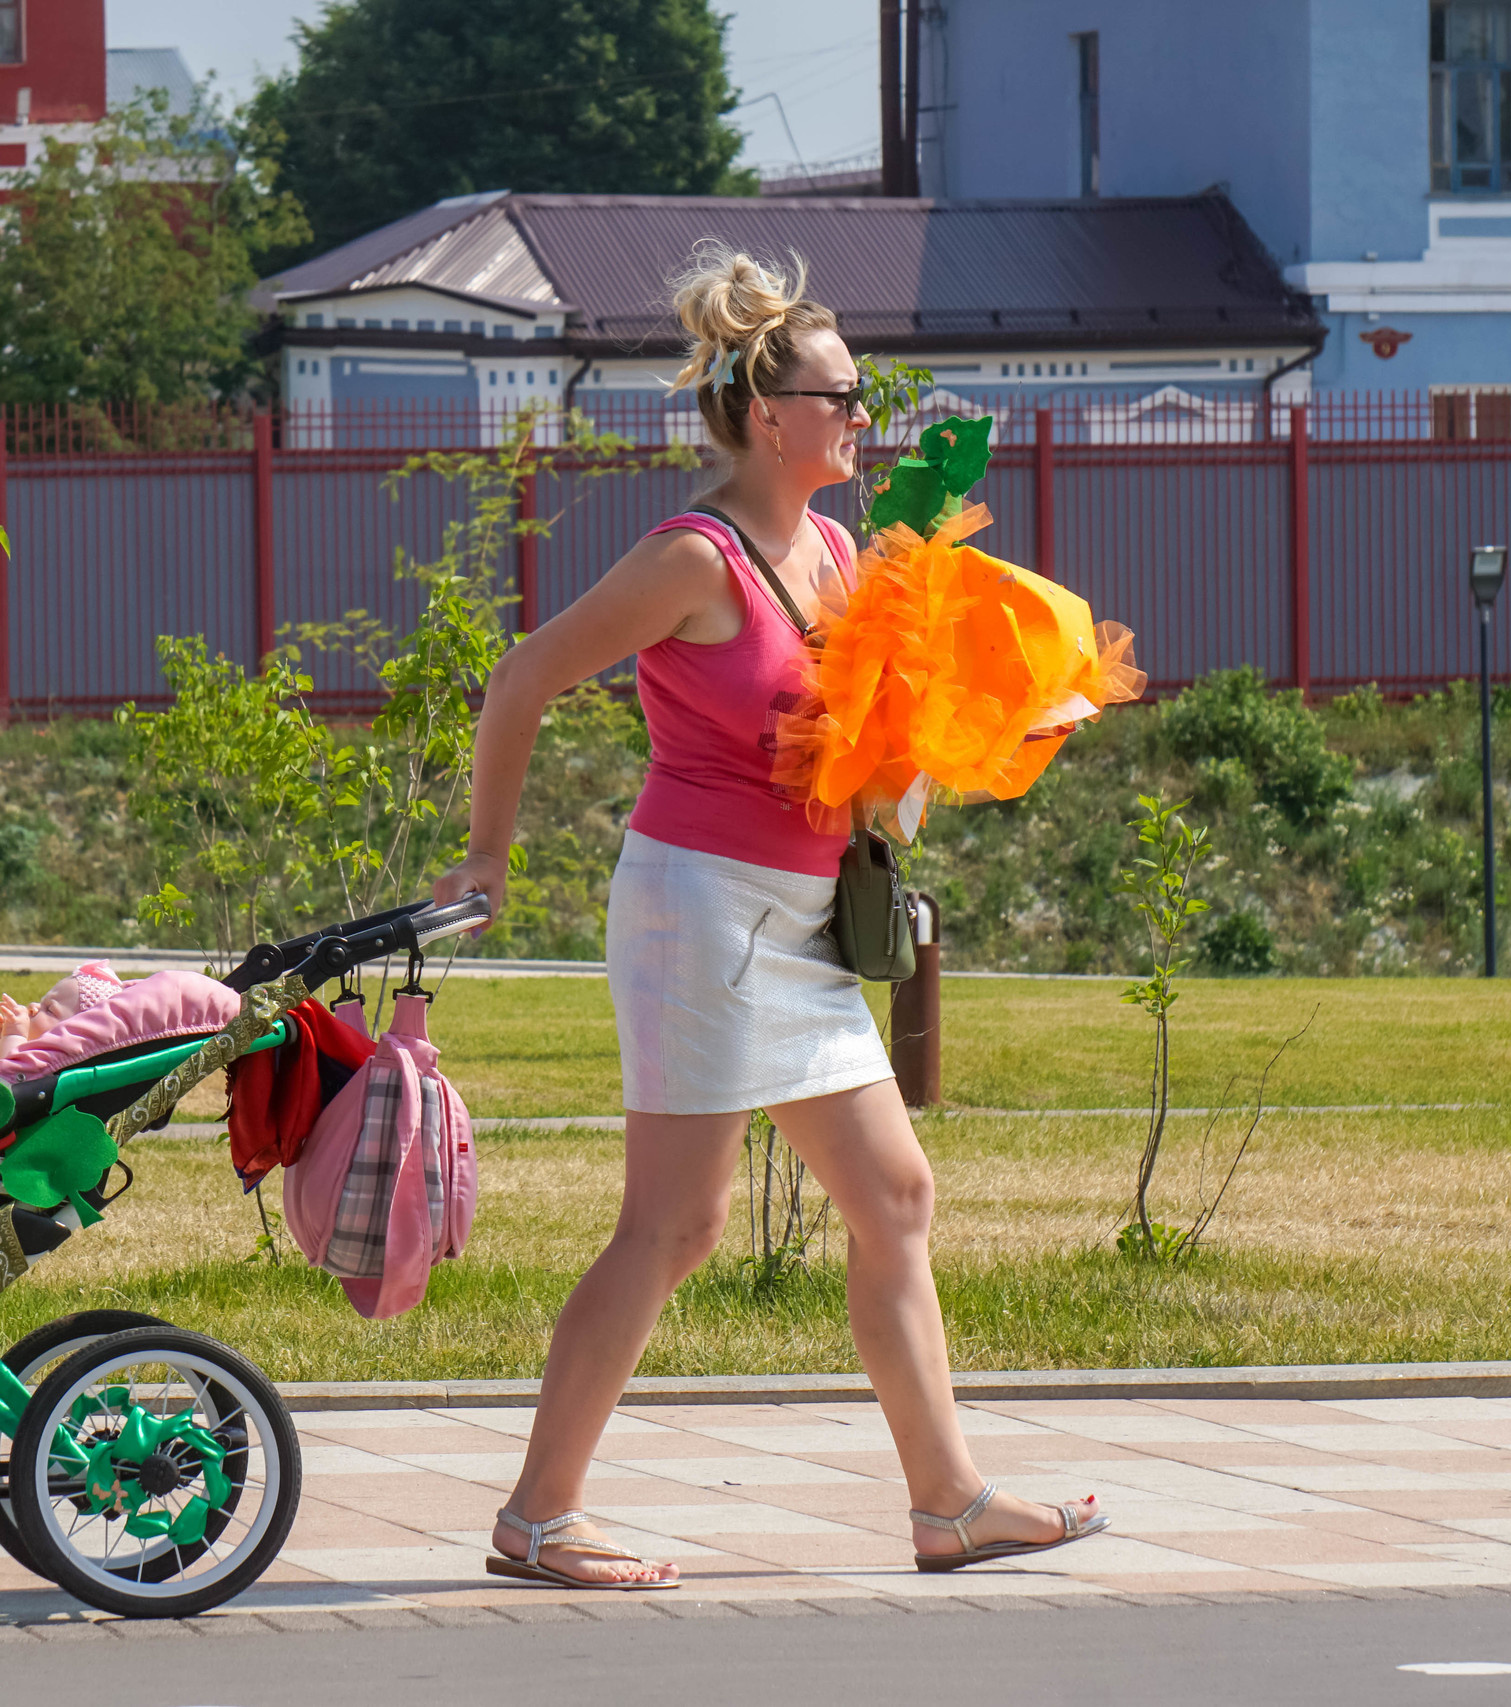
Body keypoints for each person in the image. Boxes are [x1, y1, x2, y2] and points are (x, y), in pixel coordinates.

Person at [432, 245, 1109, 1589]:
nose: (864, 415)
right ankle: (538, 1515)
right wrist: (487, 861)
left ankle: (949, 1502)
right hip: (702, 917)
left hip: (796, 924)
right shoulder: (695, 557)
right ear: (762, 412)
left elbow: (865, 743)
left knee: (895, 1193)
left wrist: (997, 727)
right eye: (841, 394)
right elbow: (518, 680)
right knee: (674, 1227)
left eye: (862, 394)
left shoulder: (838, 551)